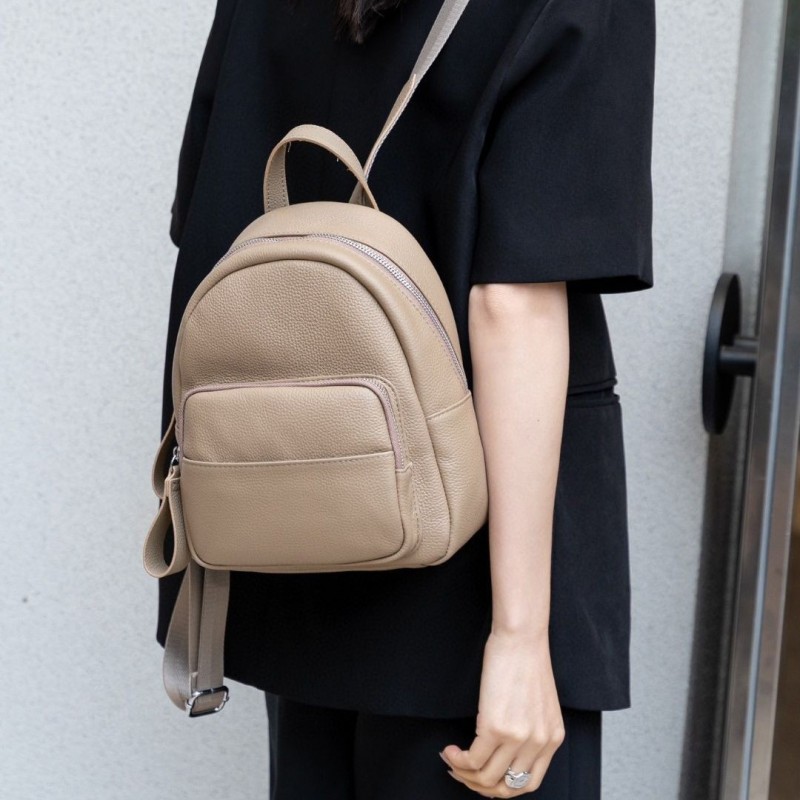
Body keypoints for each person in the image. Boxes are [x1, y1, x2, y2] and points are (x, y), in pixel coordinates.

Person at [156, 0, 655, 796]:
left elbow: (212, 211)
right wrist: (521, 636)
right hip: (466, 591)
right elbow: (513, 299)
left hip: (290, 528)